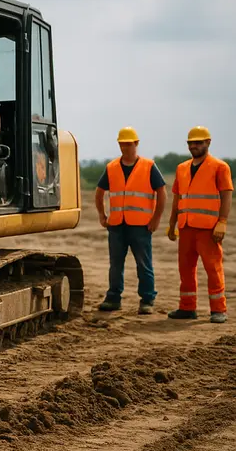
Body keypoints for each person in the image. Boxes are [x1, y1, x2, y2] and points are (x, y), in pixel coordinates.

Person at [94, 127, 166, 314]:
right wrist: (102, 215)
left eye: (128, 144)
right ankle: (113, 298)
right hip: (117, 225)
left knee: (144, 264)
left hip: (141, 226)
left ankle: (147, 300)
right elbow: (99, 192)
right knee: (115, 264)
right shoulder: (111, 168)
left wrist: (156, 218)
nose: (125, 147)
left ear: (136, 144)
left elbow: (162, 193)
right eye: (122, 144)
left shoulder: (149, 166)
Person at [166, 126, 232, 323]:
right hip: (185, 227)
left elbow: (226, 195)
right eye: (191, 143)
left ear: (208, 143)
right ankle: (187, 307)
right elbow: (177, 199)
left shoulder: (220, 167)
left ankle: (218, 310)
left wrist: (222, 222)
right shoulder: (182, 168)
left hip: (208, 229)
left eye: (198, 142)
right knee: (185, 269)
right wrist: (172, 223)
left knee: (213, 269)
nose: (194, 146)